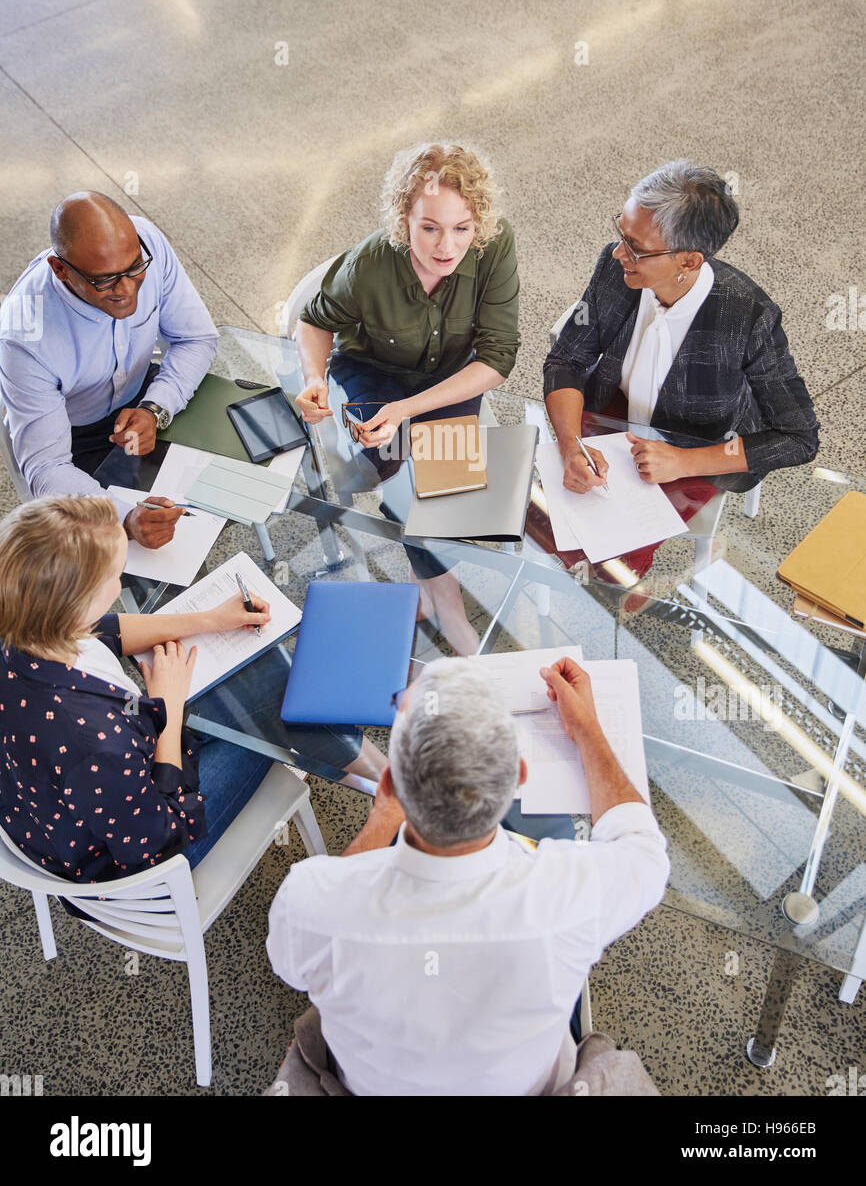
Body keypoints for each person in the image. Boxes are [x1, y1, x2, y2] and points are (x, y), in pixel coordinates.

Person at [267, 655, 669, 1097]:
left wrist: (384, 816)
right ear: (518, 776)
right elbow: (643, 850)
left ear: (387, 787)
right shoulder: (568, 894)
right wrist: (587, 729)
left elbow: (291, 969)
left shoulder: (311, 902)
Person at [543, 160, 819, 585]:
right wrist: (568, 444)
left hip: (699, 445)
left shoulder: (749, 316)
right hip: (614, 413)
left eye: (635, 247)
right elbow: (567, 361)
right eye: (621, 233)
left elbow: (798, 437)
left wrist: (683, 462)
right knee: (541, 521)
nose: (619, 253)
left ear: (688, 260)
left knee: (609, 569)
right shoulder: (615, 270)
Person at [293, 142, 519, 655]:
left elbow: (498, 358)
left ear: (478, 224)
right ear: (403, 219)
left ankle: (444, 601)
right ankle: (435, 586)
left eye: (462, 228)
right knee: (394, 462)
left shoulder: (496, 247)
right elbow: (313, 321)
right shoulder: (370, 263)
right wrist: (314, 378)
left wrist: (408, 412)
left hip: (451, 377)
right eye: (430, 227)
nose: (447, 246)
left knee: (443, 483)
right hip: (375, 368)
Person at [0, 494, 279, 880]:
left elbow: (106, 631)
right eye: (116, 576)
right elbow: (162, 837)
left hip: (59, 810)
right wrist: (167, 707)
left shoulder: (26, 625)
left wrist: (210, 619)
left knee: (234, 701)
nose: (120, 583)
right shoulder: (95, 743)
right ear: (77, 605)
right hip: (146, 861)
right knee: (268, 720)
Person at [0, 192, 219, 550]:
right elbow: (45, 468)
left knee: (229, 487)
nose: (128, 290)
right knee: (159, 556)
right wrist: (123, 517)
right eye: (105, 280)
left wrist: (154, 409)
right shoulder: (23, 337)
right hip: (74, 438)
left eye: (134, 269)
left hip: (144, 395)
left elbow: (196, 339)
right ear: (60, 270)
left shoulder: (145, 241)